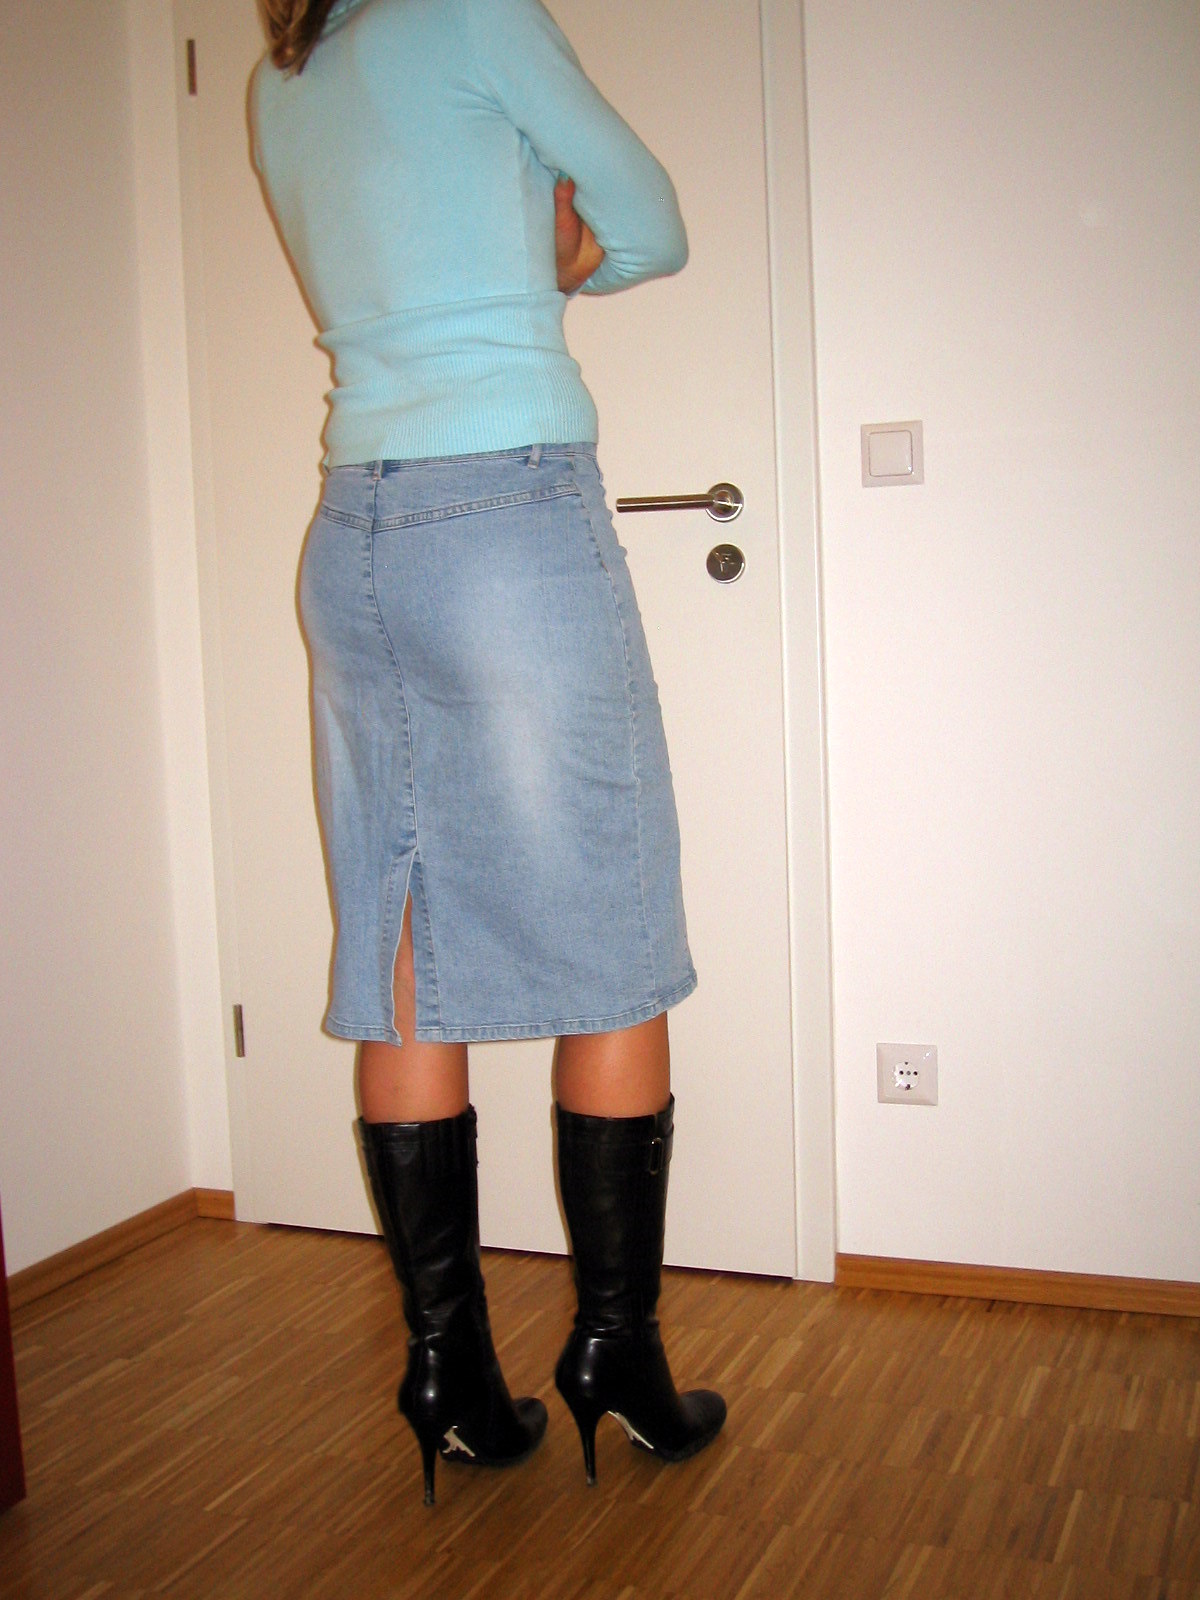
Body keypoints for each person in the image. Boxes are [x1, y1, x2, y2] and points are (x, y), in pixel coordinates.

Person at [251, 0, 725, 1505]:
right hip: (506, 508)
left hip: (353, 531)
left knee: (406, 926)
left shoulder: (284, 74)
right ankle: (616, 1355)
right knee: (615, 930)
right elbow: (652, 225)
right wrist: (566, 265)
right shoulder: (473, 11)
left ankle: (448, 1370)